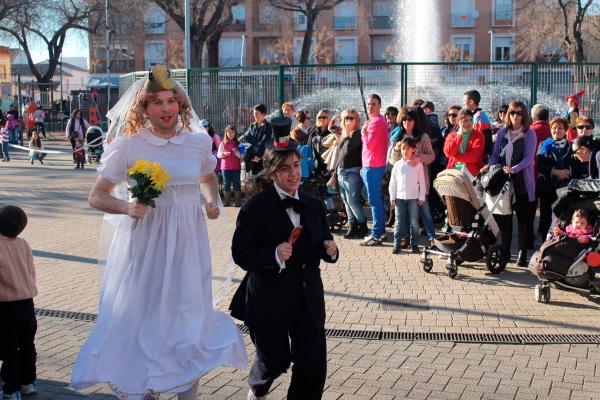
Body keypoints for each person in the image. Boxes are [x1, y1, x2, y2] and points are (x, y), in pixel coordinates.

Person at [71, 65, 247, 399]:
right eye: (157, 103)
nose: (166, 109)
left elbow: (208, 178)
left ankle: (186, 392)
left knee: (189, 320)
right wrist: (126, 207)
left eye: (171, 101)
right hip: (148, 245)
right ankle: (145, 385)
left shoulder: (196, 143)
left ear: (181, 105)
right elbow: (97, 195)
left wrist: (212, 202)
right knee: (146, 321)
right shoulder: (129, 146)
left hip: (189, 244)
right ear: (144, 109)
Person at [229, 116, 338, 400]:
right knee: (275, 360)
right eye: (285, 168)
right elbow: (240, 252)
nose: (293, 174)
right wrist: (272, 254)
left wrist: (331, 250)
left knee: (311, 366)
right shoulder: (256, 207)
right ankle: (257, 387)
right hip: (269, 298)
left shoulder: (313, 204)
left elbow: (324, 239)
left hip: (306, 298)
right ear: (272, 173)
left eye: (296, 166)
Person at [486, 101, 537, 267]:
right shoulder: (502, 132)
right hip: (503, 178)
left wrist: (514, 169)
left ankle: (522, 252)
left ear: (524, 116)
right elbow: (495, 154)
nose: (516, 116)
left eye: (519, 113)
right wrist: (491, 166)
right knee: (504, 217)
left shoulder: (529, 133)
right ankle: (505, 253)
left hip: (521, 179)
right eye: (513, 112)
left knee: (523, 219)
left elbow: (529, 158)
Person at [0, 206, 38, 400]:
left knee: (8, 348)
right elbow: (31, 271)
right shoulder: (23, 244)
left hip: (5, 305)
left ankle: (10, 388)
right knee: (27, 345)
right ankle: (27, 383)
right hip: (27, 303)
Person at [389, 107, 436, 248]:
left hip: (420, 182)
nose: (406, 122)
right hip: (403, 185)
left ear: (415, 121)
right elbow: (391, 161)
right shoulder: (398, 136)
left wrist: (419, 158)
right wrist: (397, 149)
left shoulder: (423, 137)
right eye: (404, 119)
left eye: (409, 119)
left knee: (425, 212)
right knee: (405, 216)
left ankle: (432, 238)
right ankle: (405, 239)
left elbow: (432, 156)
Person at [536, 117, 572, 239]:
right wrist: (555, 172)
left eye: (560, 128)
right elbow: (540, 165)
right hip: (547, 186)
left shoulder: (571, 146)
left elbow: (576, 164)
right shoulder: (543, 145)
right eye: (554, 128)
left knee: (563, 215)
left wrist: (568, 171)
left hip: (565, 187)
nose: (556, 130)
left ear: (565, 130)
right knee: (546, 215)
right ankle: (544, 244)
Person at [360, 94, 389, 246]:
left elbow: (369, 145)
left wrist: (363, 132)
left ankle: (376, 234)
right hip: (371, 166)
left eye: (374, 104)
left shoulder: (377, 122)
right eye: (369, 104)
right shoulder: (375, 121)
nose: (370, 106)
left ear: (380, 105)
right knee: (375, 200)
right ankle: (381, 232)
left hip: (373, 167)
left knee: (374, 201)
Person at [389, 137, 426, 255]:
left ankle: (414, 245)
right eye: (403, 148)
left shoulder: (418, 165)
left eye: (408, 148)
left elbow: (422, 181)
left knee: (414, 222)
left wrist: (421, 197)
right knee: (398, 221)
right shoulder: (397, 165)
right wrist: (392, 197)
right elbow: (393, 182)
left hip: (414, 198)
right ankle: (396, 244)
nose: (405, 151)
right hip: (399, 198)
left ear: (414, 149)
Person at [335, 109, 366, 239]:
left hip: (352, 172)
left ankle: (362, 225)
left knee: (353, 201)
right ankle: (352, 226)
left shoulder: (358, 134)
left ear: (357, 120)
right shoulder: (344, 134)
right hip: (341, 171)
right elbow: (340, 151)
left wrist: (347, 134)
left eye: (351, 118)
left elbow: (349, 148)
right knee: (346, 202)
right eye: (346, 118)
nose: (348, 120)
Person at [443, 109, 485, 176]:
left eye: (471, 120)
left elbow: (474, 157)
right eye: (465, 120)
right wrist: (459, 137)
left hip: (472, 173)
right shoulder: (452, 135)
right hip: (454, 172)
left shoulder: (479, 135)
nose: (469, 123)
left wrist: (455, 157)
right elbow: (448, 153)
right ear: (458, 122)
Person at [241, 104, 272, 175]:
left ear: (263, 114)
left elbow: (264, 141)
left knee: (263, 177)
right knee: (254, 176)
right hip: (252, 155)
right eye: (254, 113)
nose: (255, 115)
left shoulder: (268, 126)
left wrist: (258, 155)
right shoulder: (252, 126)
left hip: (263, 155)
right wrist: (257, 142)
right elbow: (246, 136)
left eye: (257, 113)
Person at [463, 89, 493, 158]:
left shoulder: (478, 116)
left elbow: (483, 139)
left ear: (471, 102)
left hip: (480, 158)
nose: (463, 103)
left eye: (464, 101)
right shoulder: (476, 115)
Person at [217, 125, 242, 207]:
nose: (231, 134)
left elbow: (241, 156)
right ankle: (226, 201)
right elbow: (218, 155)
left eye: (233, 132)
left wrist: (236, 152)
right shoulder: (222, 143)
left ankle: (237, 201)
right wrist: (224, 154)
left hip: (236, 167)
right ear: (226, 133)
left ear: (235, 133)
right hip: (225, 167)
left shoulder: (238, 144)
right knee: (226, 183)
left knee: (236, 183)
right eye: (229, 132)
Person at [307, 109, 331, 174]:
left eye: (324, 117)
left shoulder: (332, 131)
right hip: (316, 161)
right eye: (319, 117)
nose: (321, 119)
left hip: (329, 163)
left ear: (329, 118)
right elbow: (308, 145)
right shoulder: (313, 130)